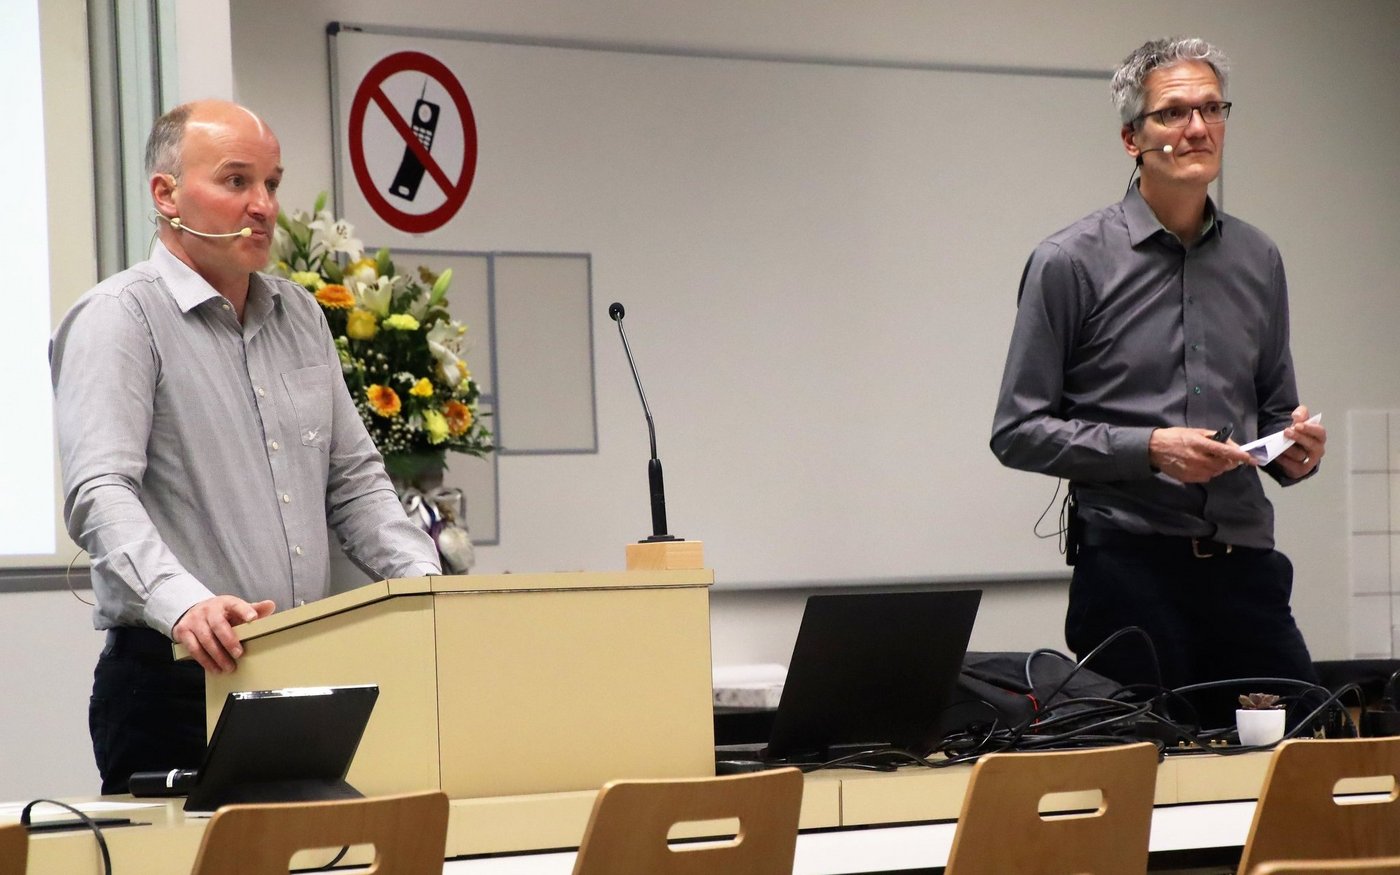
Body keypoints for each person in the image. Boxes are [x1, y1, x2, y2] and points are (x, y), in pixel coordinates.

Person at [50, 100, 442, 793]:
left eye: (272, 184)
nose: (263, 206)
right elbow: (99, 492)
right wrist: (183, 604)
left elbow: (355, 483)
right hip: (176, 677)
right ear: (165, 194)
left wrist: (427, 588)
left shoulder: (300, 316)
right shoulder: (120, 317)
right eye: (237, 181)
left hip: (301, 668)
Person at [989, 38, 1327, 727]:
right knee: (1153, 771)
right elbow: (1017, 430)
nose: (1197, 128)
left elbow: (1273, 409)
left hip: (1245, 567)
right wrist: (1150, 448)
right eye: (1173, 113)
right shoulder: (1069, 262)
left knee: (1303, 751)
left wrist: (1295, 449)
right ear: (1131, 139)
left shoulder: (1258, 258)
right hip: (1130, 573)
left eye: (1212, 109)